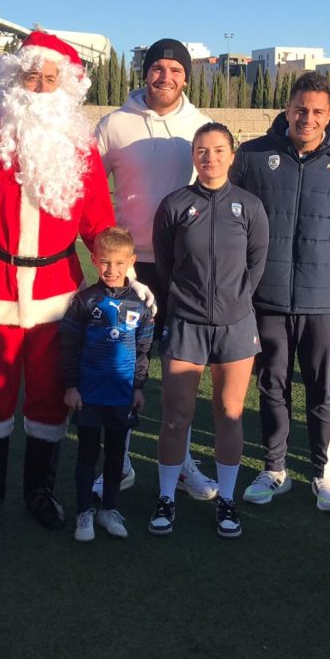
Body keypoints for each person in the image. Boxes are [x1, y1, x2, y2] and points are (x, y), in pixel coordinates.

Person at [0, 31, 125, 535]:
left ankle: (41, 490)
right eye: (33, 76)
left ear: (66, 87)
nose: (42, 87)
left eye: (51, 79)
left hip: (56, 289)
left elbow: (97, 219)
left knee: (50, 395)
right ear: (15, 81)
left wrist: (121, 272)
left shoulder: (81, 146)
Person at [231, 72, 330, 513]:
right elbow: (228, 211)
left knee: (324, 391)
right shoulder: (254, 155)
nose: (308, 118)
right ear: (287, 108)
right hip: (268, 297)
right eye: (301, 109)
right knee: (272, 386)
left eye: (318, 111)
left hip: (326, 299)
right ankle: (274, 469)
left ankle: (324, 474)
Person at [93, 37, 218, 501]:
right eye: (158, 68)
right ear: (145, 73)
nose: (165, 77)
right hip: (128, 269)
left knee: (180, 369)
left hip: (184, 266)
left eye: (175, 70)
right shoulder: (114, 124)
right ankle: (119, 454)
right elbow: (87, 188)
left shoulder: (200, 125)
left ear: (186, 77)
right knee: (121, 364)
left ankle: (179, 459)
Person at [149, 123, 268, 538]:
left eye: (219, 150)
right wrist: (188, 301)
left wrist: (233, 303)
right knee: (175, 418)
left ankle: (228, 500)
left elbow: (257, 264)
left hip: (236, 326)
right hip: (186, 324)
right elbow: (165, 264)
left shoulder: (250, 206)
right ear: (193, 156)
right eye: (202, 150)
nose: (210, 157)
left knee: (229, 415)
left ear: (232, 156)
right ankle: (166, 496)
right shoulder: (174, 204)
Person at [59, 227, 155, 542]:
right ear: (94, 260)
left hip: (121, 395)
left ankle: (109, 509)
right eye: (104, 263)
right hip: (89, 394)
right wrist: (71, 386)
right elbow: (69, 346)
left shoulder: (140, 305)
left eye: (118, 263)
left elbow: (143, 350)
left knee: (115, 455)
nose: (110, 270)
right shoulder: (85, 301)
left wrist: (138, 387)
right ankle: (83, 512)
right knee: (87, 453)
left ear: (131, 261)